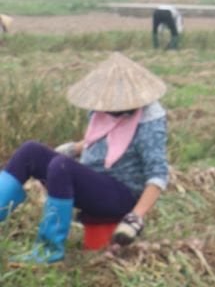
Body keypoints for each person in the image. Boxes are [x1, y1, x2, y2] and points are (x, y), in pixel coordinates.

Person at [0, 52, 170, 263]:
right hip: (93, 181)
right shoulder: (101, 111)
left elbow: (158, 175)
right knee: (31, 151)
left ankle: (48, 250)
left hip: (120, 194)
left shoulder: (149, 123)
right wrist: (73, 149)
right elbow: (102, 141)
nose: (109, 109)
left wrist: (136, 217)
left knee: (61, 166)